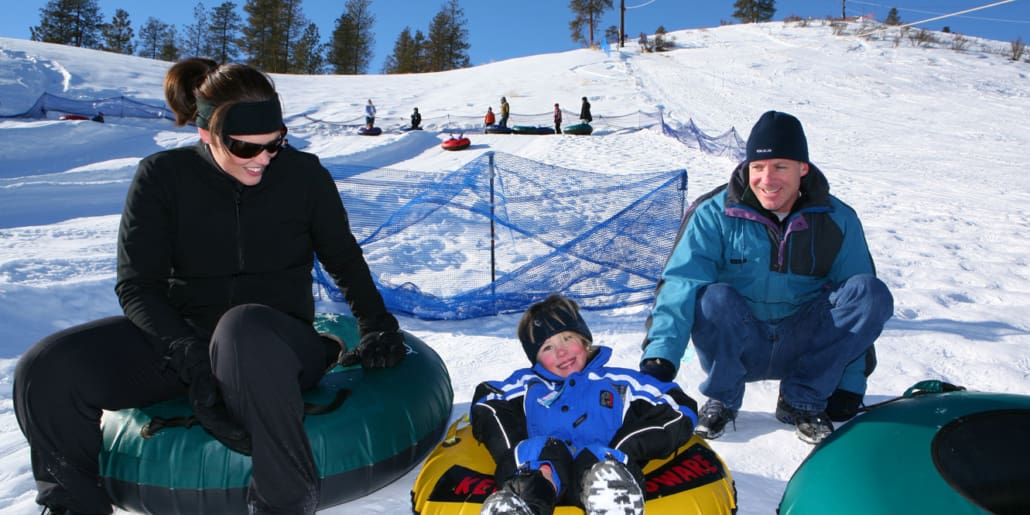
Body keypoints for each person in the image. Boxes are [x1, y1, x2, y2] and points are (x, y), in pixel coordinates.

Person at [13, 57, 408, 515]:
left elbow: (342, 257)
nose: (263, 158)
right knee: (46, 366)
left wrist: (376, 323)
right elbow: (138, 286)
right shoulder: (162, 177)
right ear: (206, 133)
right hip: (185, 342)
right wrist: (188, 353)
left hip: (273, 346)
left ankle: (283, 504)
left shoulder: (304, 176)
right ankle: (72, 505)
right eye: (245, 147)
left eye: (275, 144)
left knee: (243, 328)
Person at [638, 110, 893, 444]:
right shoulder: (714, 213)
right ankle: (724, 398)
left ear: (803, 169)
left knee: (870, 292)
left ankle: (802, 399)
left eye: (780, 167)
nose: (767, 179)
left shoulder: (838, 218)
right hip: (741, 343)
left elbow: (859, 303)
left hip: (804, 344)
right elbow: (681, 284)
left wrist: (851, 383)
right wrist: (660, 359)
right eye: (757, 167)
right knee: (712, 297)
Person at [473, 295, 698, 515]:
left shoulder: (618, 382)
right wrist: (511, 454)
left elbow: (677, 405)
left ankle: (612, 500)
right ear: (537, 359)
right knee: (541, 452)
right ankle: (519, 505)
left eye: (567, 338)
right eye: (547, 348)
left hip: (601, 467)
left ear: (584, 340)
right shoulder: (528, 385)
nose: (561, 352)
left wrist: (627, 445)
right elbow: (489, 401)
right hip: (543, 475)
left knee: (600, 460)